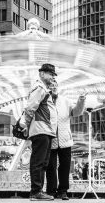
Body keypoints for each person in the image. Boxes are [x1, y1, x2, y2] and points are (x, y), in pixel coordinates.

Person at [21, 63, 58, 201]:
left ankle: (38, 191)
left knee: (42, 162)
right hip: (41, 129)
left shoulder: (45, 89)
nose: (52, 77)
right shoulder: (39, 88)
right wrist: (26, 125)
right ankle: (36, 192)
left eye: (53, 75)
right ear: (42, 74)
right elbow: (30, 108)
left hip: (45, 130)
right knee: (38, 161)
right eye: (50, 74)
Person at [46, 80, 86, 200]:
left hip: (65, 139)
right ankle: (51, 191)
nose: (53, 87)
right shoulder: (44, 101)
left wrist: (81, 100)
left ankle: (63, 191)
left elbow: (76, 112)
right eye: (51, 85)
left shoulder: (65, 100)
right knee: (50, 167)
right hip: (50, 138)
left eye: (55, 85)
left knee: (65, 166)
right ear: (47, 87)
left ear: (58, 87)